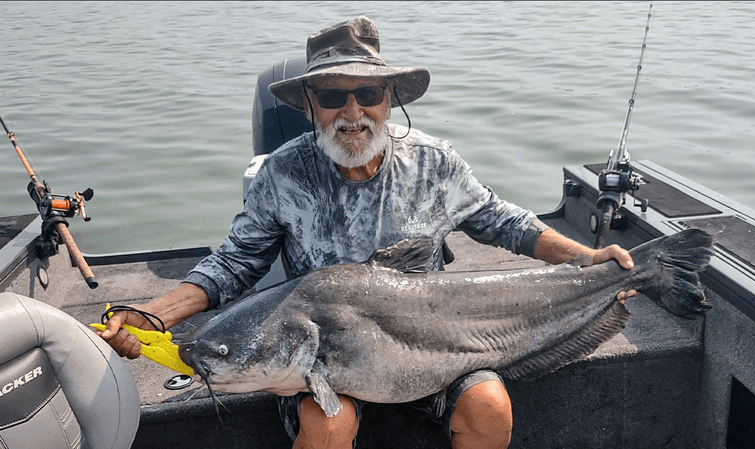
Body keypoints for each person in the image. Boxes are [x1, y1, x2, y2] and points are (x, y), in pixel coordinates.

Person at [97, 16, 636, 449]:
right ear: (309, 106)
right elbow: (233, 264)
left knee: (489, 407)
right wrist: (151, 316)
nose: (351, 112)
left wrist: (586, 258)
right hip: (322, 359)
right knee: (328, 426)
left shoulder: (435, 163)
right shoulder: (281, 176)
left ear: (389, 98)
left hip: (433, 348)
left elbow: (503, 221)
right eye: (332, 97)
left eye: (368, 93)